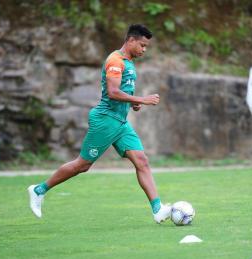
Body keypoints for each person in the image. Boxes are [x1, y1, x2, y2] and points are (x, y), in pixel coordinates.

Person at [28, 24, 171, 223]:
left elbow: (123, 93)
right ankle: (38, 190)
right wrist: (141, 99)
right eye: (142, 45)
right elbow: (112, 92)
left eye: (146, 46)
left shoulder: (129, 62)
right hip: (105, 120)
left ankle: (158, 209)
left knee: (142, 161)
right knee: (83, 165)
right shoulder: (115, 61)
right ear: (130, 40)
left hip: (120, 122)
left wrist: (134, 104)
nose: (144, 50)